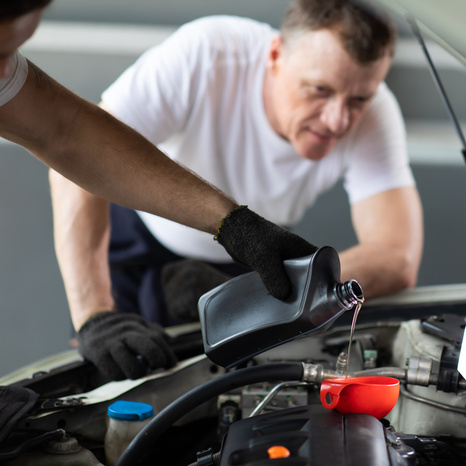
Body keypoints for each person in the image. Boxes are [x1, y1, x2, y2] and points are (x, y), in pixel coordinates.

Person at [50, 0, 424, 361]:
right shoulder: (207, 54)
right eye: (319, 90)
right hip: (134, 251)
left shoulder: (377, 112)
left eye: (359, 99)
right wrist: (94, 316)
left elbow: (396, 256)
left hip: (249, 263)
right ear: (275, 56)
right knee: (108, 386)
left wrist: (262, 291)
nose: (338, 120)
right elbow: (80, 159)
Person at [0, 1, 318, 381]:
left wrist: (235, 225)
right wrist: (93, 310)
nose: (5, 70)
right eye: (2, 51)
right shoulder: (209, 51)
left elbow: (66, 132)